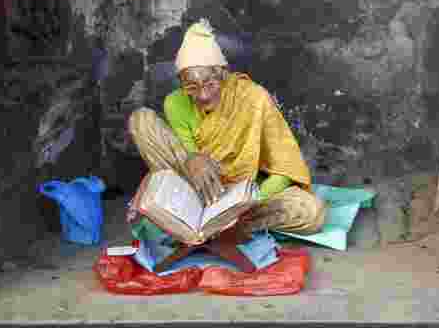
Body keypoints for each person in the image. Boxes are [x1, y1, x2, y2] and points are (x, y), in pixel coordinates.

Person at [127, 19, 326, 268]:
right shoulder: (175, 103)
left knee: (311, 211)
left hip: (244, 198)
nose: (202, 95)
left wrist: (246, 202)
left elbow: (283, 169)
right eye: (191, 87)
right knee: (141, 120)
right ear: (182, 85)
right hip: (197, 190)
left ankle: (221, 227)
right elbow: (184, 155)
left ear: (223, 75)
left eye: (210, 84)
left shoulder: (253, 97)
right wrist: (192, 158)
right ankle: (189, 217)